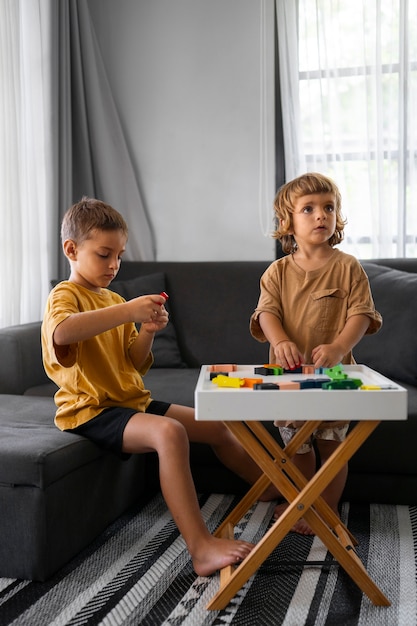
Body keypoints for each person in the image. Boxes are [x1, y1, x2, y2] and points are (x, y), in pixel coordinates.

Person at [41, 197, 276, 576]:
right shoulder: (65, 296)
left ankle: (269, 489)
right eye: (104, 255)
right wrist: (128, 311)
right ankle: (200, 548)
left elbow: (132, 363)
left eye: (118, 255)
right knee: (170, 433)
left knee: (217, 423)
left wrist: (146, 331)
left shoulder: (113, 298)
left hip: (129, 403)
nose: (114, 265)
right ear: (72, 250)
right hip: (91, 411)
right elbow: (64, 332)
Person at [250, 172, 382, 535]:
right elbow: (266, 313)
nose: (320, 215)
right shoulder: (276, 272)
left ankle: (326, 508)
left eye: (328, 208)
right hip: (289, 378)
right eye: (308, 209)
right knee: (297, 449)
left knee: (332, 447)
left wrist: (340, 347)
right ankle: (302, 501)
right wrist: (279, 342)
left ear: (337, 217)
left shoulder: (348, 266)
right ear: (287, 221)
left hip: (334, 378)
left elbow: (361, 314)